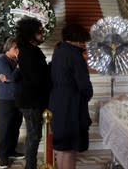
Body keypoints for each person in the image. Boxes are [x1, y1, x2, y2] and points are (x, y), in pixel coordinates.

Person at [49, 24, 94, 169]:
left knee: (62, 149)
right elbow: (84, 86)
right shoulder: (75, 55)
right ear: (77, 39)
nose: (84, 44)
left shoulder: (59, 51)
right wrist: (87, 94)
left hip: (57, 103)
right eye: (83, 40)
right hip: (72, 108)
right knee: (69, 150)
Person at [14, 17, 51, 169]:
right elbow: (36, 79)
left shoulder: (29, 50)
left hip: (30, 99)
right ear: (31, 34)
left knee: (34, 135)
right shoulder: (29, 52)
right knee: (34, 136)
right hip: (31, 101)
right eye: (39, 32)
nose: (43, 35)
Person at [0, 36, 24, 169]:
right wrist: (19, 68)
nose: (18, 50)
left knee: (15, 127)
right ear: (9, 47)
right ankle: (3, 157)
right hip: (5, 99)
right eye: (15, 48)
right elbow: (11, 78)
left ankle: (12, 151)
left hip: (18, 98)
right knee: (4, 128)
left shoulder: (17, 60)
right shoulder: (2, 61)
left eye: (18, 47)